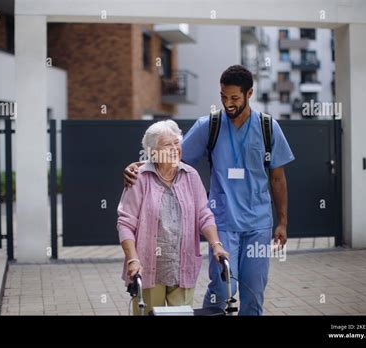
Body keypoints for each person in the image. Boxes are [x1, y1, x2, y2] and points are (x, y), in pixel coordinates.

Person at [123, 65, 295, 315]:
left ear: (249, 94)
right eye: (223, 97)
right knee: (224, 288)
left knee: (254, 292)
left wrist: (282, 222)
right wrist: (138, 166)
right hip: (223, 220)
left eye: (234, 98)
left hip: (258, 223)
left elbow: (278, 179)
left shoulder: (269, 128)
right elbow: (171, 155)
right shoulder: (210, 125)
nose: (228, 103)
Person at [117, 120, 229, 315]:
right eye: (167, 144)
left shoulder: (191, 176)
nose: (175, 148)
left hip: (182, 266)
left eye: (177, 142)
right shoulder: (139, 178)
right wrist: (132, 259)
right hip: (148, 266)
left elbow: (204, 213)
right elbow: (125, 223)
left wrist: (216, 244)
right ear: (153, 152)